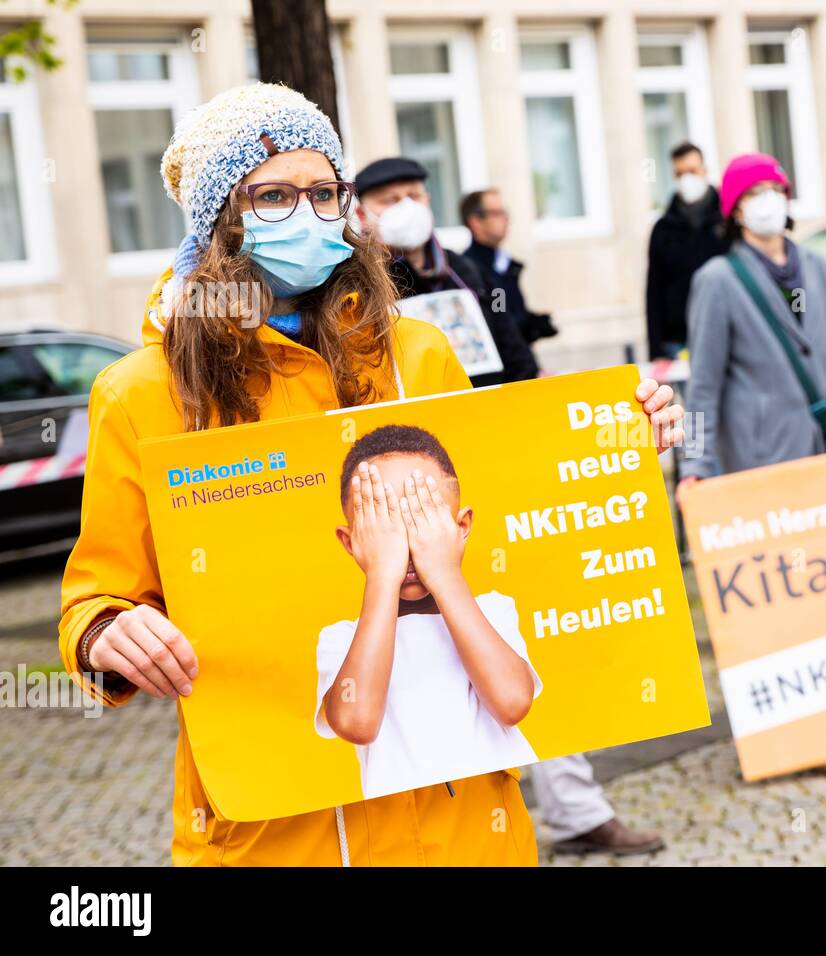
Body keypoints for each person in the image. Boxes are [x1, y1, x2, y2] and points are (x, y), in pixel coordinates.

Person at [57, 82, 685, 866]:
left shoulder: (419, 353)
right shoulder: (142, 394)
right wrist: (109, 635)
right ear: (220, 222)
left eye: (324, 193)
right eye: (273, 196)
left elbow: (504, 524)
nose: (308, 214)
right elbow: (97, 595)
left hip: (460, 823)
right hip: (280, 830)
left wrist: (613, 452)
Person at [676, 152, 826, 775]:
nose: (770, 200)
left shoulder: (818, 268)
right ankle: (799, 734)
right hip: (762, 468)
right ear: (736, 210)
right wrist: (696, 464)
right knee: (782, 604)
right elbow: (703, 386)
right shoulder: (718, 279)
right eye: (757, 192)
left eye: (777, 188)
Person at [316, 425, 541, 798]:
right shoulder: (342, 639)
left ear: (461, 527)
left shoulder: (490, 611)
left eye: (420, 521)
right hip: (398, 839)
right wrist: (382, 575)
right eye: (384, 529)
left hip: (491, 830)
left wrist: (445, 572)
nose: (405, 545)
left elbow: (512, 702)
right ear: (351, 542)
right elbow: (356, 722)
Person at [353, 157, 537, 387]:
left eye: (414, 196)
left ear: (428, 202)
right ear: (362, 215)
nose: (406, 207)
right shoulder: (354, 283)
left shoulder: (467, 270)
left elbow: (510, 341)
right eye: (390, 200)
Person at [645, 142, 729, 360]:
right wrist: (656, 350)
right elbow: (654, 292)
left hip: (726, 333)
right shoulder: (663, 229)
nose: (687, 179)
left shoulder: (727, 222)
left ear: (704, 170)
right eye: (679, 173)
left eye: (692, 171)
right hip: (678, 341)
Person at [460, 188, 558, 350]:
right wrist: (529, 327)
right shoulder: (471, 269)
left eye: (505, 212)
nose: (506, 218)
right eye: (497, 213)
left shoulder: (503, 263)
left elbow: (508, 308)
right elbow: (499, 320)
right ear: (476, 222)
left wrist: (534, 322)